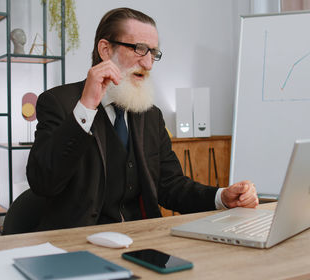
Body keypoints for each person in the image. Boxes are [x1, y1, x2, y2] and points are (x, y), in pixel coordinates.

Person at [26, 7, 258, 231]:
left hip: (143, 242)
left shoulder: (150, 115)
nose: (148, 64)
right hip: (77, 247)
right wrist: (86, 107)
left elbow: (171, 186)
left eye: (153, 53)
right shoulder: (58, 102)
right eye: (139, 49)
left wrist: (222, 197)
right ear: (105, 50)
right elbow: (43, 182)